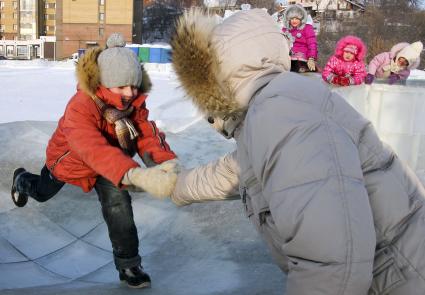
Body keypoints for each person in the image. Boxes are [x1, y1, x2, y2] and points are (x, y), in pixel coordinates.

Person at [170, 8, 425, 295]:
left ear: (215, 78)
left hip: (399, 281)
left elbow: (333, 265)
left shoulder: (279, 113)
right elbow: (235, 171)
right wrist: (175, 185)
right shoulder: (271, 106)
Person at [10, 33, 179, 289]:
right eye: (121, 86)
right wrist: (132, 174)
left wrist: (164, 165)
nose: (129, 93)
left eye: (133, 86)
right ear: (103, 82)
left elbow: (146, 135)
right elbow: (89, 148)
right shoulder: (81, 106)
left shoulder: (134, 105)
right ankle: (22, 180)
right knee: (42, 192)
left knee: (118, 205)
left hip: (110, 165)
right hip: (70, 162)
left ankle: (129, 265)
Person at [282, 4, 318, 73]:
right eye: (292, 18)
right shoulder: (285, 30)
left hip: (303, 57)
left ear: (301, 19)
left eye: (297, 18)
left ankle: (303, 67)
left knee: (297, 64)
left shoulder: (307, 28)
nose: (294, 21)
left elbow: (312, 44)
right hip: (288, 57)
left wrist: (311, 58)